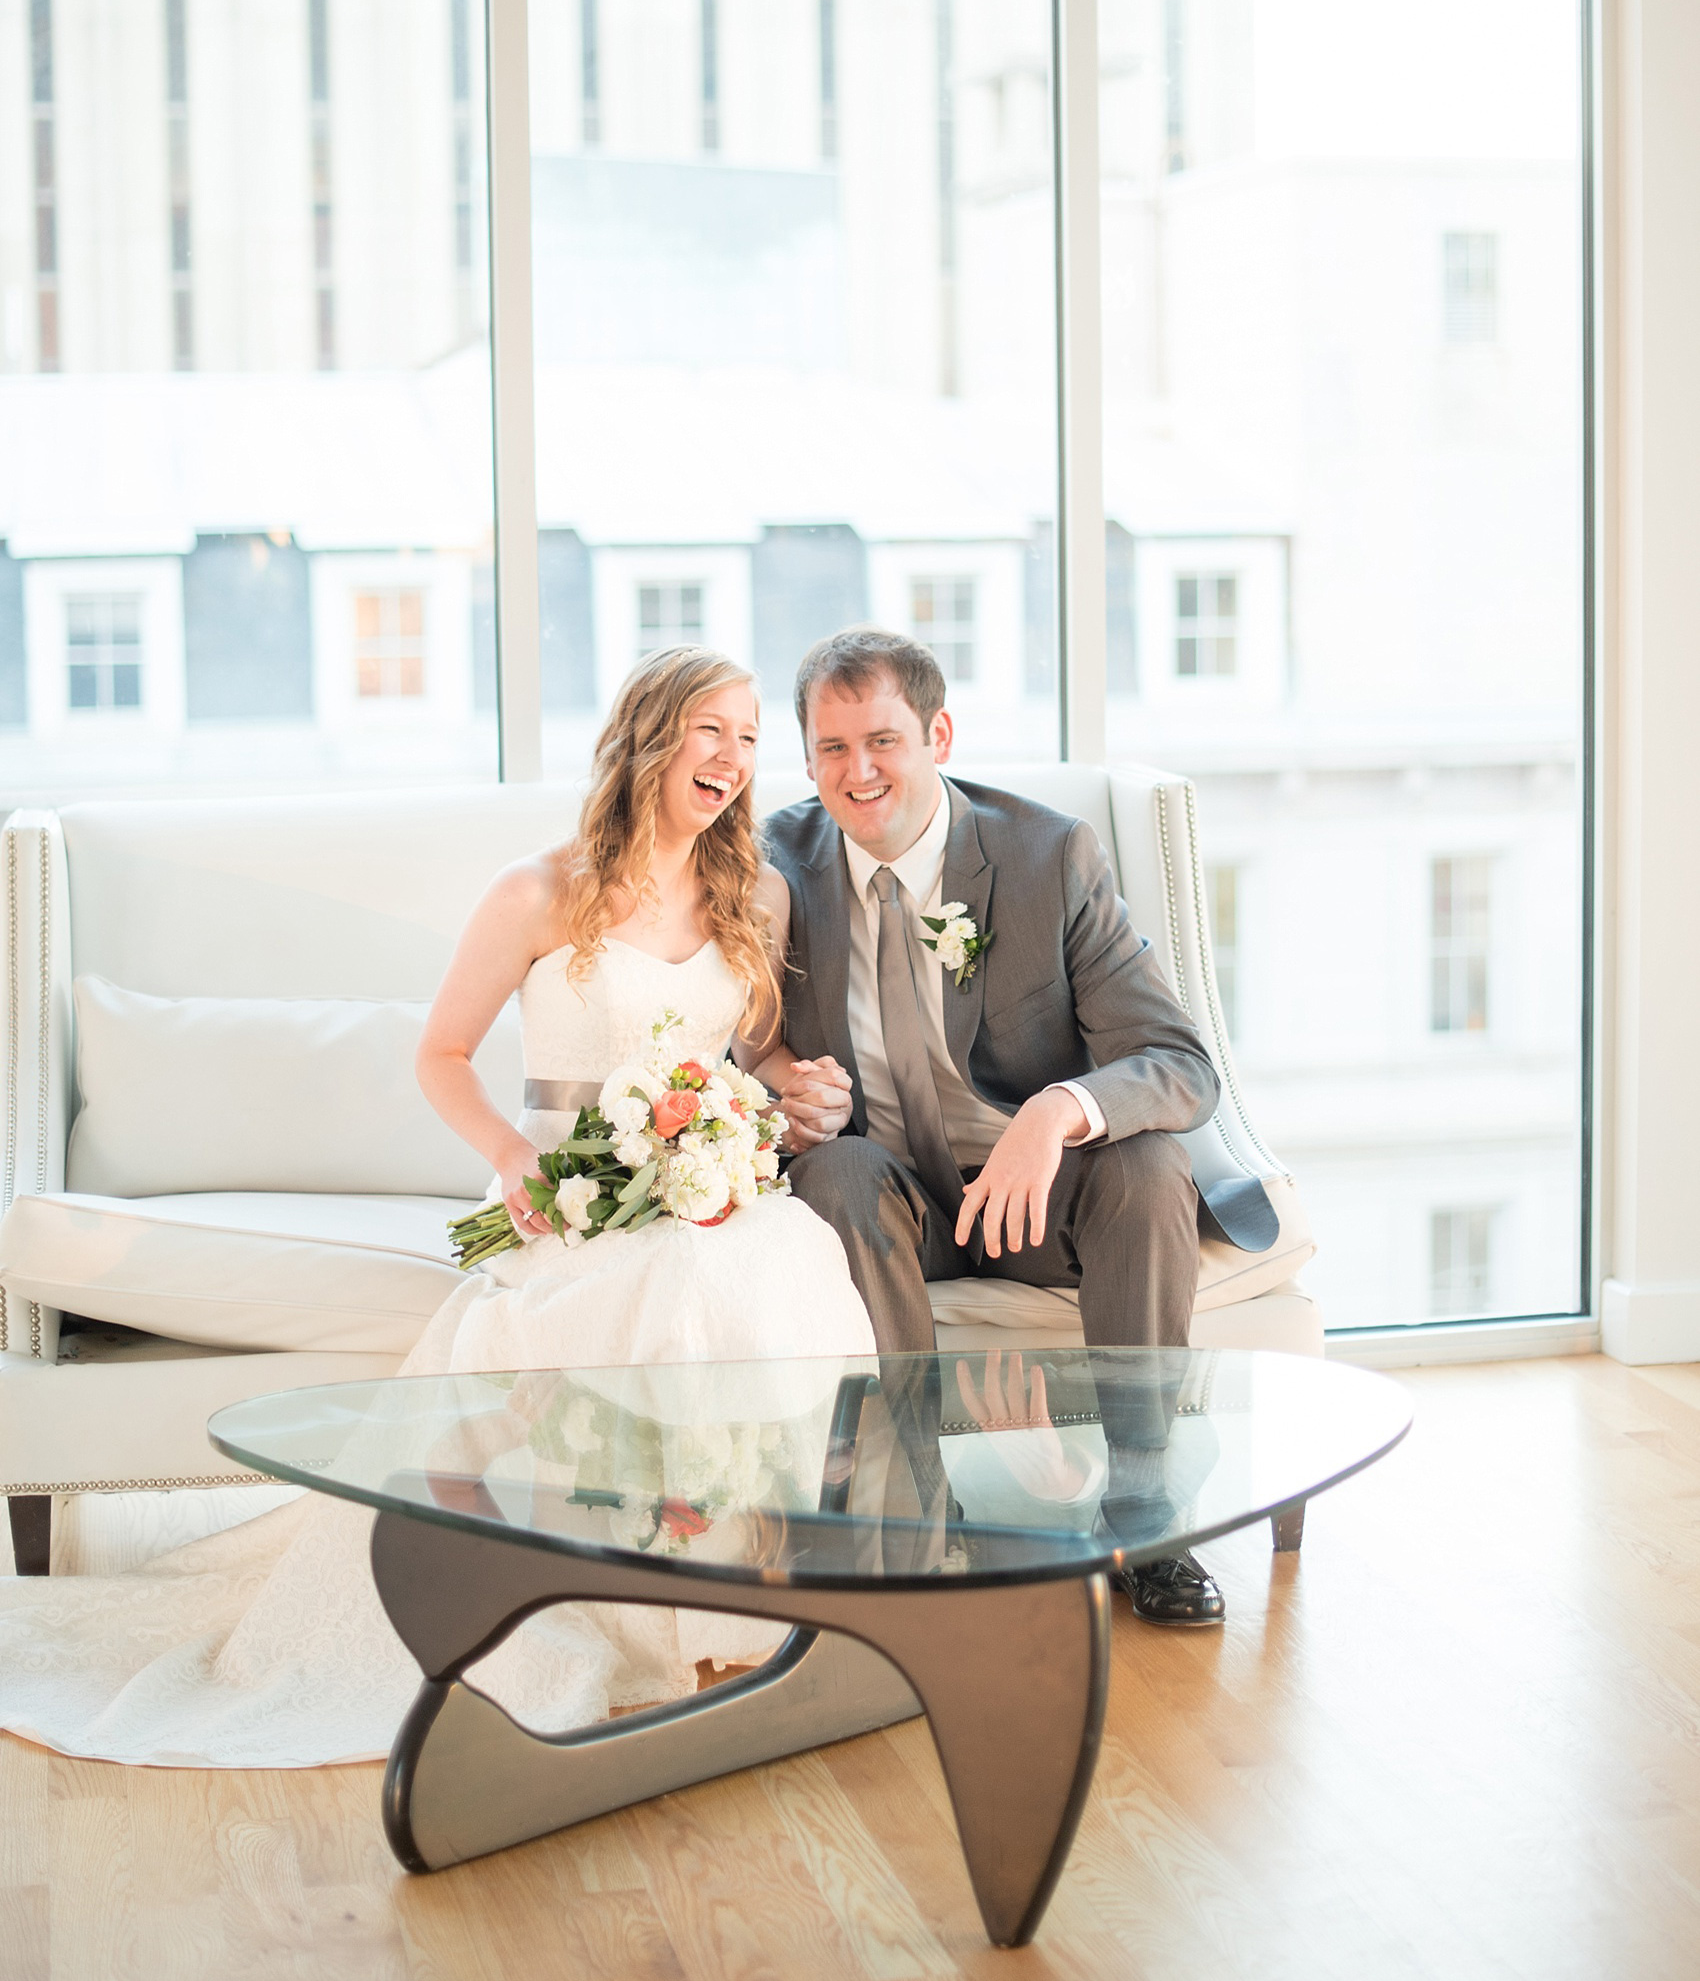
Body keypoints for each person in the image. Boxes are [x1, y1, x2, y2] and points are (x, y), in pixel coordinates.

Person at [0, 648, 875, 1765]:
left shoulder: (756, 892)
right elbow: (442, 1052)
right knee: (674, 1283)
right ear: (652, 734)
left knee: (780, 1257)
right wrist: (512, 1157)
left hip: (703, 1182)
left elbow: (750, 1050)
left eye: (750, 738)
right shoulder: (537, 890)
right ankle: (637, 1606)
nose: (732, 758)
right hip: (568, 1186)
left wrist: (798, 1089)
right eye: (711, 729)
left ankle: (744, 1601)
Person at [762, 625, 1239, 1629]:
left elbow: (1179, 1063)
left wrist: (1057, 1110)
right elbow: (733, 1047)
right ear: (806, 758)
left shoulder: (1044, 854)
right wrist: (788, 1098)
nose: (858, 773)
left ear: (937, 731)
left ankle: (1146, 1515)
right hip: (893, 1202)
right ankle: (915, 1515)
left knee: (1147, 1162)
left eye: (882, 740)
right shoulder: (777, 867)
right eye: (831, 749)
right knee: (836, 1170)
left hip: (1035, 1198)